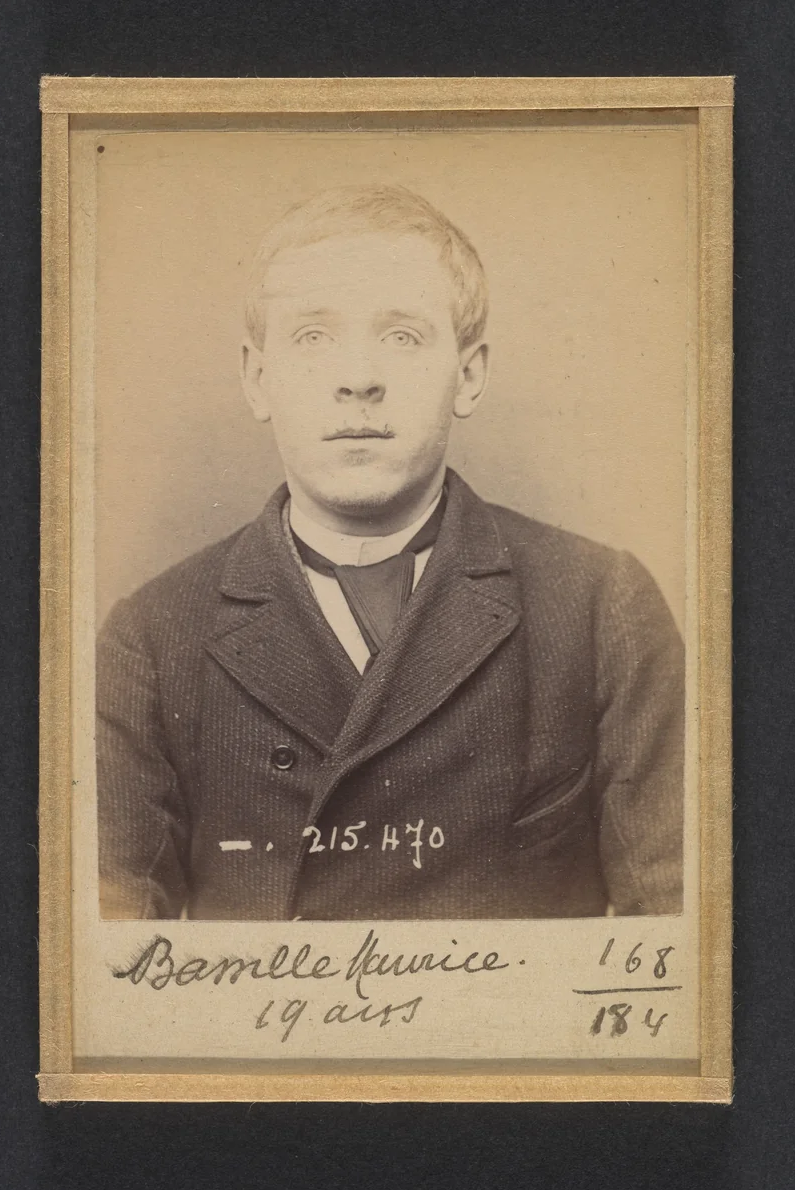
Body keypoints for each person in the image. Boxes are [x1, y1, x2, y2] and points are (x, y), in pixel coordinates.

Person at [97, 183, 684, 921]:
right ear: (257, 378)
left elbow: (678, 943)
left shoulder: (601, 605)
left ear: (468, 376)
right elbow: (106, 964)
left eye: (402, 336)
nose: (358, 379)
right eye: (314, 336)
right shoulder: (152, 637)